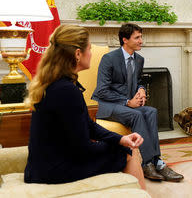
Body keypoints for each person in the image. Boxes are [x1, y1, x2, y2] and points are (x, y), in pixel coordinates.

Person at [24, 25, 145, 189]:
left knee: (126, 147)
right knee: (130, 152)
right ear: (78, 54)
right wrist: (120, 146)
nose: (91, 53)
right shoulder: (66, 90)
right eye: (89, 48)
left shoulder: (57, 83)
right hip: (54, 171)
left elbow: (88, 125)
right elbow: (82, 148)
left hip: (43, 167)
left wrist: (121, 139)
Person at [92, 23, 183, 182]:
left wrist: (141, 88)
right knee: (136, 115)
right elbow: (101, 90)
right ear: (125, 39)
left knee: (151, 111)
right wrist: (127, 102)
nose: (141, 40)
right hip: (108, 106)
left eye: (141, 37)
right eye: (137, 37)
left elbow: (138, 80)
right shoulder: (109, 59)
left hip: (128, 106)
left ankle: (156, 162)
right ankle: (149, 163)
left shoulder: (139, 59)